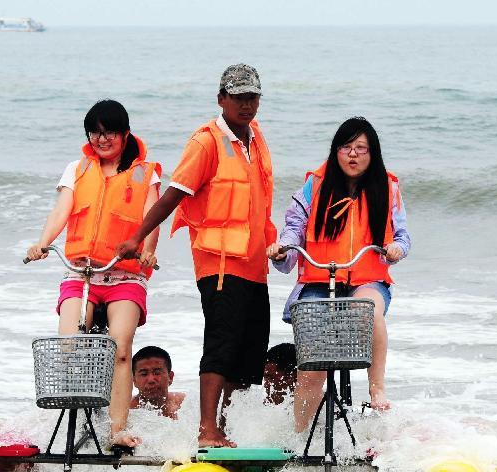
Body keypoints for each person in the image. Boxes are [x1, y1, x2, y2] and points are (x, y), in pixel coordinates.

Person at [118, 64, 277, 447]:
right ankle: (207, 430)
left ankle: (226, 428)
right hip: (220, 263)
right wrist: (137, 237)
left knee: (248, 354)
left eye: (252, 96)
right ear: (221, 99)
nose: (246, 104)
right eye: (238, 97)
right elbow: (175, 193)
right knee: (221, 345)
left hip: (254, 266)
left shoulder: (255, 137)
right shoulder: (207, 142)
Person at [26, 99, 162, 448]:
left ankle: (118, 432)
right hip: (82, 273)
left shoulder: (146, 173)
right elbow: (62, 210)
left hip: (125, 277)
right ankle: (83, 410)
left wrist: (148, 251)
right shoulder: (77, 169)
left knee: (120, 348)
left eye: (110, 132)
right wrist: (41, 243)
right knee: (69, 345)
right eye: (95, 133)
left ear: (124, 133)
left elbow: (151, 218)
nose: (102, 139)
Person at [268, 117, 410, 432]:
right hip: (319, 282)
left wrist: (396, 249)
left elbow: (402, 237)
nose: (353, 154)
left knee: (368, 309)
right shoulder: (314, 185)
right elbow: (294, 229)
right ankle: (300, 436)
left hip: (367, 280)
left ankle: (376, 388)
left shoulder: (388, 188)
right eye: (346, 147)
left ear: (372, 155)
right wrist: (284, 248)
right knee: (310, 373)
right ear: (335, 151)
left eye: (361, 148)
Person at [130, 346, 185, 419]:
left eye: (157, 373)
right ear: (134, 381)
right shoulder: (126, 410)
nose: (151, 380)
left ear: (170, 377)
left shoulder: (184, 404)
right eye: (144, 374)